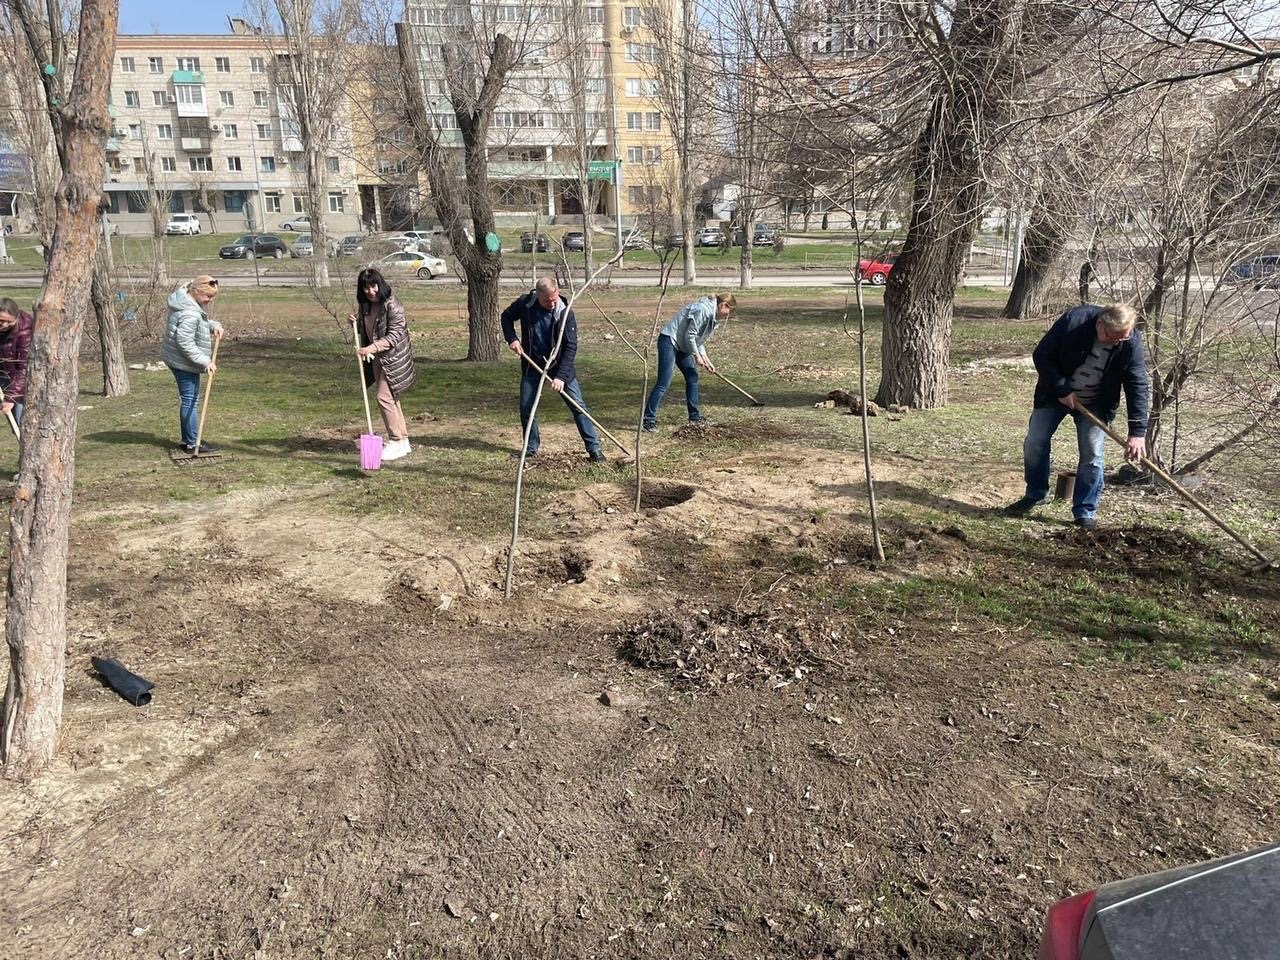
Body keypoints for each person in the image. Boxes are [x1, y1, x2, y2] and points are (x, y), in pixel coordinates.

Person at [1007, 303, 1149, 529]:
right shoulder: (1074, 322)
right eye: (1114, 337)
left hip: (1096, 402)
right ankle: (1035, 493)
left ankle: (1085, 510)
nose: (1118, 342)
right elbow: (1042, 355)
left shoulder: (1130, 342)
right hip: (1055, 395)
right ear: (1100, 324)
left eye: (1124, 338)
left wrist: (1137, 432)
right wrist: (1061, 388)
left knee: (1092, 454)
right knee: (1035, 442)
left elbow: (1137, 384)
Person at [500, 276, 605, 462]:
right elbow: (506, 317)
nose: (551, 303)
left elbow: (571, 347)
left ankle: (594, 450)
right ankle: (531, 449)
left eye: (554, 298)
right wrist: (512, 339)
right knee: (527, 408)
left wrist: (561, 377)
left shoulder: (565, 313)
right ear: (538, 295)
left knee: (578, 407)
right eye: (547, 300)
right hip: (532, 365)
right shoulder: (526, 304)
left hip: (560, 368)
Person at [642, 292, 737, 432]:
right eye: (729, 311)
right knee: (664, 382)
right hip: (670, 340)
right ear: (723, 305)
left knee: (692, 377)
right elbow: (690, 335)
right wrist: (696, 356)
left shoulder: (712, 316)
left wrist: (706, 358)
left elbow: (698, 339)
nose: (728, 315)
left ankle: (694, 417)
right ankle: (648, 420)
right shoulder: (703, 310)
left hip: (683, 343)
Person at [348, 267, 415, 462]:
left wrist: (370, 348)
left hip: (394, 358)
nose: (371, 291)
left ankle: (395, 441)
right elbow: (369, 329)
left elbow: (394, 335)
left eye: (374, 286)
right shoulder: (365, 305)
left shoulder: (392, 305)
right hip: (377, 358)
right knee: (392, 398)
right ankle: (403, 441)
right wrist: (354, 322)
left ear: (380, 284)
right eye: (366, 287)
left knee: (383, 397)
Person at [161, 276, 222, 454]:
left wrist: (213, 325)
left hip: (176, 357)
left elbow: (199, 323)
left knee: (190, 399)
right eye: (208, 297)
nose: (209, 301)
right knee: (190, 400)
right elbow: (185, 341)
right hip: (183, 361)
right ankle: (191, 443)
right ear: (196, 291)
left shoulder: (185, 301)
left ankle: (189, 438)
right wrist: (205, 361)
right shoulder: (190, 312)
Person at [0, 297, 34, 427]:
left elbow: (24, 368)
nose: (4, 325)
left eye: (8, 322)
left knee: (21, 422)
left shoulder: (25, 332)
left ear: (16, 317)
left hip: (20, 381)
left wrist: (11, 398)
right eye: (1, 321)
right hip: (4, 373)